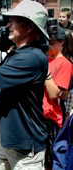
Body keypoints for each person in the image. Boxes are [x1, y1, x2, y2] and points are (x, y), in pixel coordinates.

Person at [0, 1, 49, 169]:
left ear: (29, 27)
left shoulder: (31, 58)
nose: (8, 24)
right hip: (9, 142)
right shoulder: (17, 54)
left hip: (26, 148)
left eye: (14, 20)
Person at [43, 26, 73, 170]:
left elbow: (57, 93)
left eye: (52, 42)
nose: (48, 45)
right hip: (39, 114)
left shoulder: (65, 64)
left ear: (61, 42)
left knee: (50, 158)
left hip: (52, 118)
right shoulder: (45, 59)